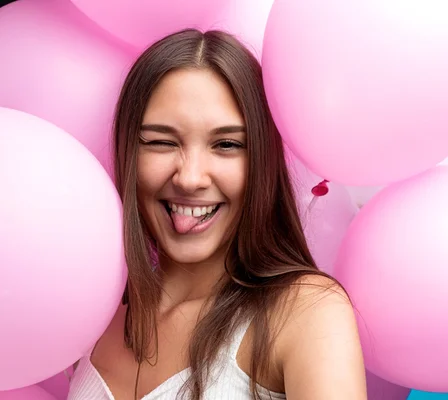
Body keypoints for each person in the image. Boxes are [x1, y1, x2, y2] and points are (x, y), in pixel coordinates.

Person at [67, 28, 367, 400]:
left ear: (262, 160)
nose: (190, 178)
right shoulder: (95, 315)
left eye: (226, 145)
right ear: (129, 153)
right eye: (161, 142)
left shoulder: (304, 312)